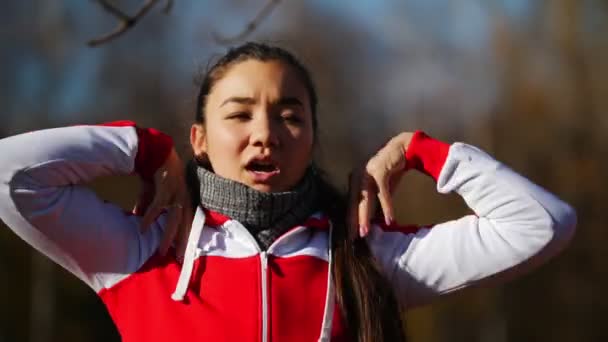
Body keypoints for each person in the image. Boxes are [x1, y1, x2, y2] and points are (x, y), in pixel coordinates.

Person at [0, 42, 576, 342]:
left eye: (289, 116)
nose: (265, 135)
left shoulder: (366, 257)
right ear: (199, 139)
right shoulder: (141, 250)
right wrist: (142, 148)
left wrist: (419, 151)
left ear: (313, 136)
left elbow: (543, 224)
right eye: (239, 114)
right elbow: (10, 175)